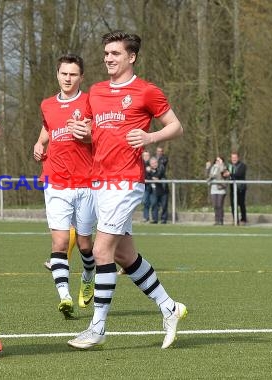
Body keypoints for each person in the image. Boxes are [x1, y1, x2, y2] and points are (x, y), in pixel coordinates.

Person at [66, 31, 187, 350]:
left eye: (115, 53)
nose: (108, 58)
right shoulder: (96, 91)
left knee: (101, 250)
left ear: (131, 57)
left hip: (126, 181)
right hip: (100, 180)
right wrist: (83, 132)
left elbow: (176, 126)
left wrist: (151, 138)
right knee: (124, 254)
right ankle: (169, 308)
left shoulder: (147, 91)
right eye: (106, 53)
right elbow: (94, 133)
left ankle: (98, 327)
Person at [33, 54, 96, 318]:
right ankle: (65, 296)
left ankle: (89, 274)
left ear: (81, 77)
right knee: (59, 241)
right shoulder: (47, 104)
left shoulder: (90, 101)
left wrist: (86, 131)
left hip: (86, 181)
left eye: (73, 74)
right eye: (63, 73)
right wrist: (39, 143)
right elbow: (48, 127)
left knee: (85, 244)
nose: (67, 78)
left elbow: (98, 132)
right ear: (57, 74)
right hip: (56, 180)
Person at [206, 156, 229, 225]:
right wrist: (207, 168)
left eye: (219, 160)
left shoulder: (224, 167)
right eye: (216, 160)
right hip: (213, 189)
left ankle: (221, 220)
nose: (217, 162)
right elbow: (207, 176)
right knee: (215, 205)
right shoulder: (212, 168)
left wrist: (221, 164)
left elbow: (223, 172)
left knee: (219, 205)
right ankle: (216, 220)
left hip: (220, 189)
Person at [146, 157, 168, 224]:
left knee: (164, 205)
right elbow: (146, 178)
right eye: (152, 163)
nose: (154, 164)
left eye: (155, 162)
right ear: (150, 164)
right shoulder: (148, 171)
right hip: (154, 191)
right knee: (154, 204)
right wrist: (149, 173)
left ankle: (163, 220)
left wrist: (152, 175)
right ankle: (155, 219)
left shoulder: (161, 168)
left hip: (163, 190)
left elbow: (158, 176)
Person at [228, 152, 247, 225]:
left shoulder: (242, 166)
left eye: (235, 158)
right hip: (232, 188)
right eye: (232, 158)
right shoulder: (229, 165)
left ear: (238, 158)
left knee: (241, 204)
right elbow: (226, 173)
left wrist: (230, 174)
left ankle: (243, 219)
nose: (234, 159)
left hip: (241, 188)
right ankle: (235, 219)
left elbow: (239, 174)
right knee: (233, 204)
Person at [141, 150, 151, 222]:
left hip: (153, 186)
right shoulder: (140, 164)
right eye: (145, 155)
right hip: (144, 186)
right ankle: (146, 217)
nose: (146, 157)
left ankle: (154, 218)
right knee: (145, 202)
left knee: (153, 202)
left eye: (147, 155)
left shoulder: (153, 163)